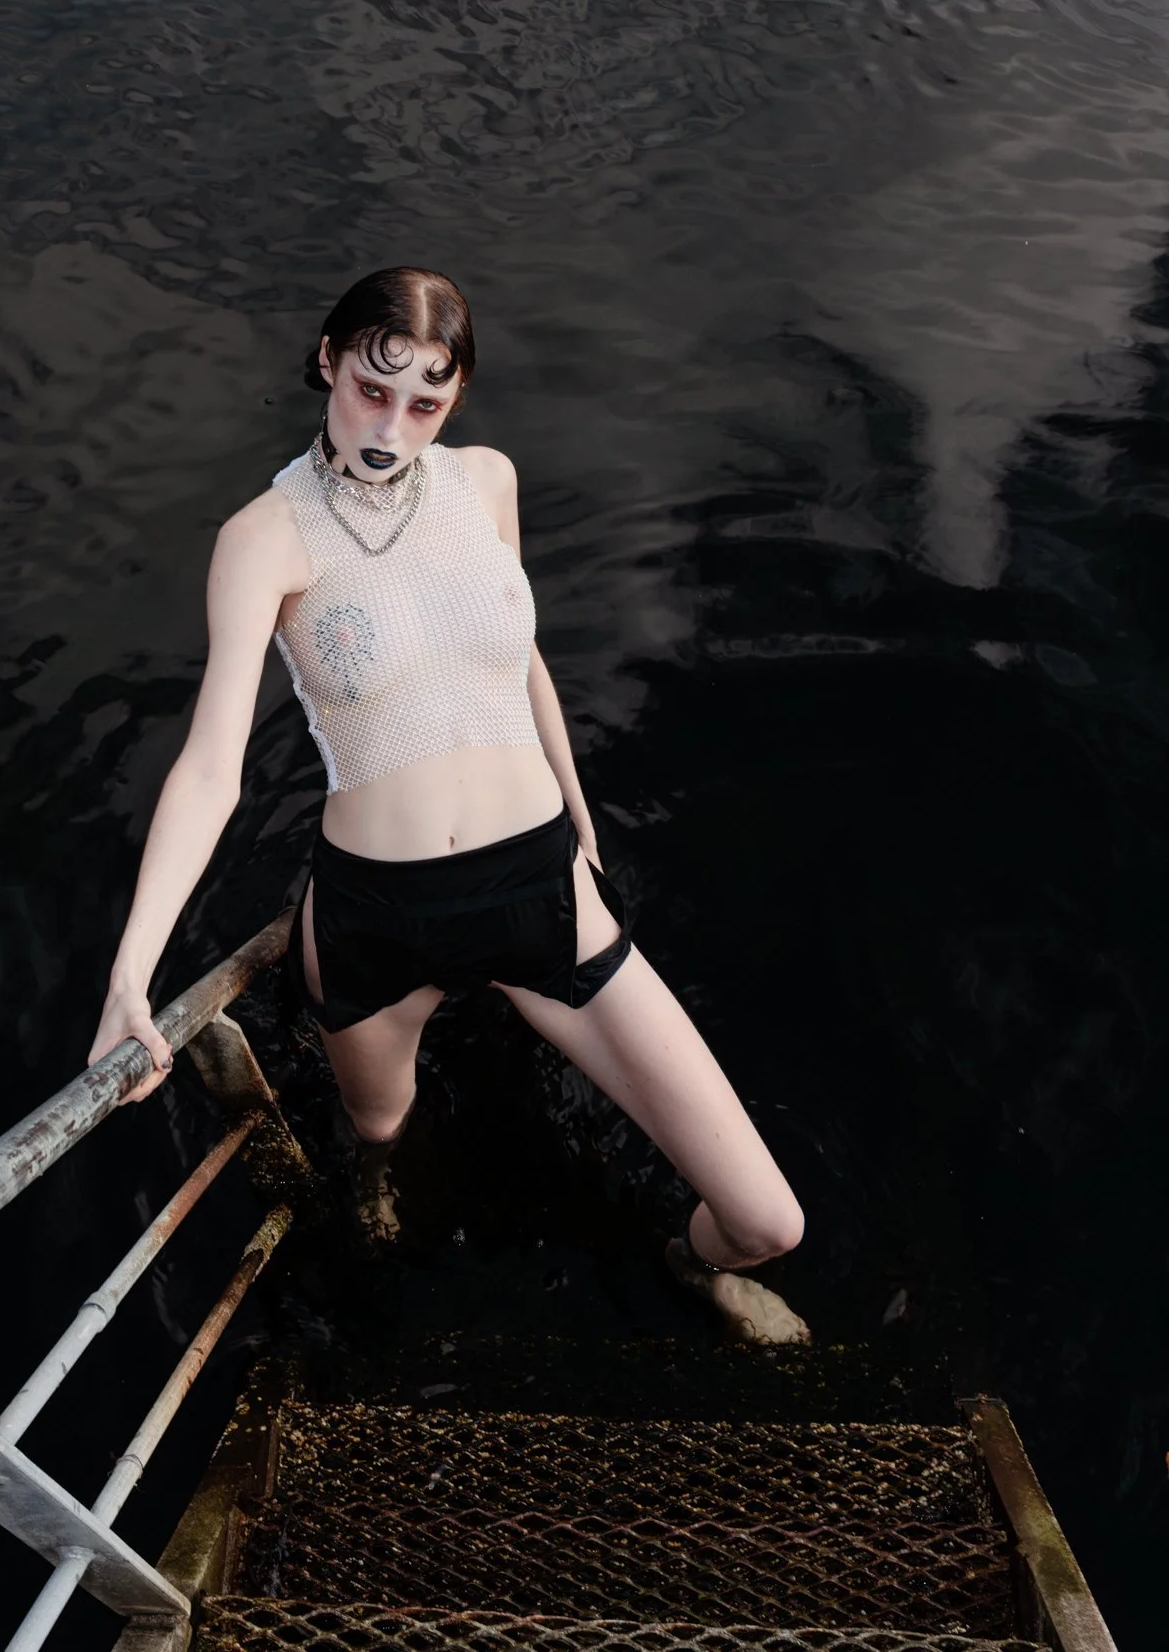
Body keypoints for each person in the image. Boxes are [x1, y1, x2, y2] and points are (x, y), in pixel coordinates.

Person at [88, 267, 808, 1344]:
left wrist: (578, 815)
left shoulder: (486, 481)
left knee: (766, 1218)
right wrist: (130, 975)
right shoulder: (264, 537)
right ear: (328, 359)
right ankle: (378, 1179)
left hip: (539, 886)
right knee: (380, 1131)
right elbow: (209, 766)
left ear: (456, 396)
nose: (392, 427)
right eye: (371, 389)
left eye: (426, 401)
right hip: (379, 921)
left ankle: (695, 1265)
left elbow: (518, 655)